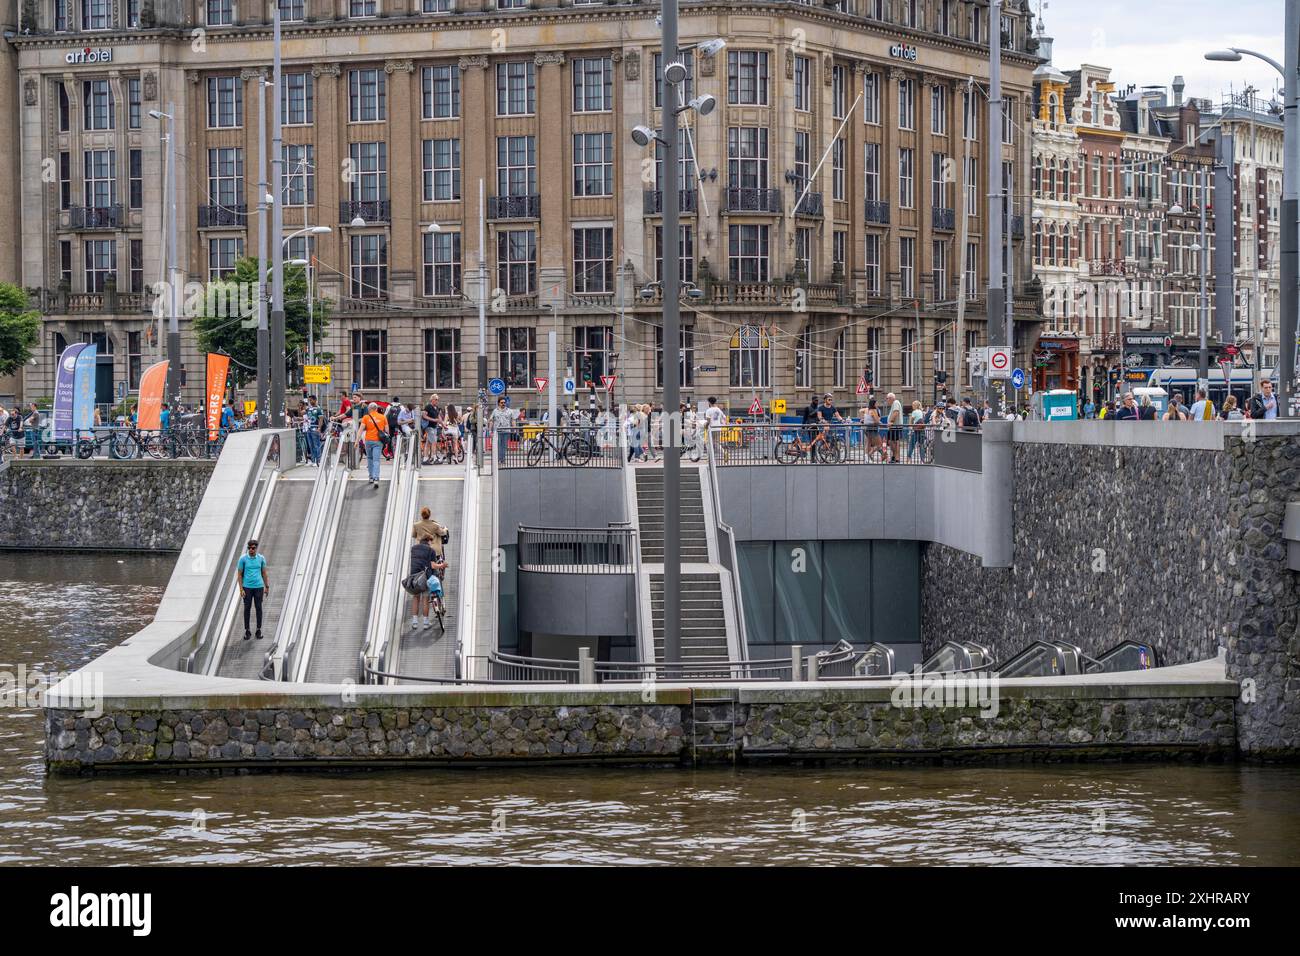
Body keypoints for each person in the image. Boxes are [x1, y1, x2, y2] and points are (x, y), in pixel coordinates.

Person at [406, 532, 446, 630]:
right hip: (425, 577)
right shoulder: (431, 550)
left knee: (416, 598)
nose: (431, 544)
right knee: (425, 599)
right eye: (431, 542)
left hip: (414, 577)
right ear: (428, 541)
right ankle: (425, 623)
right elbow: (432, 565)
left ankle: (414, 622)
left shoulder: (413, 549)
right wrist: (442, 565)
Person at [235, 538, 269, 641]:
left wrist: (267, 586)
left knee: (258, 608)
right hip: (247, 587)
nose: (251, 550)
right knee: (247, 608)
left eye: (253, 548)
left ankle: (258, 630)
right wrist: (241, 589)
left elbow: (264, 573)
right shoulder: (243, 559)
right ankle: (247, 630)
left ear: (256, 548)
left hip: (258, 587)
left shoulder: (261, 558)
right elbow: (239, 575)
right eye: (249, 548)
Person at [358, 402, 389, 487]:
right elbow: (387, 430)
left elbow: (360, 430)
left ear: (369, 409)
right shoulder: (383, 417)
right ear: (376, 408)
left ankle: (371, 477)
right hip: (378, 441)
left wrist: (357, 441)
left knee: (369, 458)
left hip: (368, 441)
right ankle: (376, 478)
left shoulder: (366, 417)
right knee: (376, 460)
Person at [489, 396, 514, 464]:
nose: (503, 404)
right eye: (501, 402)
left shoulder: (510, 411)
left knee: (504, 446)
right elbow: (491, 420)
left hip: (506, 431)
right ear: (498, 403)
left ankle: (503, 459)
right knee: (498, 446)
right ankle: (499, 459)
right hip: (497, 431)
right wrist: (490, 430)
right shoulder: (495, 411)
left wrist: (513, 429)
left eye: (504, 402)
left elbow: (512, 420)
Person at [303, 395, 324, 464]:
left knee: (316, 445)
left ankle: (318, 461)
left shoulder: (318, 409)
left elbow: (321, 419)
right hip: (309, 428)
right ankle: (313, 461)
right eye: (309, 400)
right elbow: (302, 413)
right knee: (311, 445)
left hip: (315, 428)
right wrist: (301, 406)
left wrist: (319, 428)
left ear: (315, 400)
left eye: (311, 400)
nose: (310, 401)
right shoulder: (309, 409)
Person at [883, 392, 904, 462]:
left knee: (893, 441)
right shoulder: (894, 404)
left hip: (895, 426)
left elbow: (896, 412)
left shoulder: (895, 403)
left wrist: (890, 422)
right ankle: (894, 457)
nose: (887, 400)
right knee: (892, 441)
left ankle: (895, 457)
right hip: (894, 426)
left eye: (887, 399)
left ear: (891, 398)